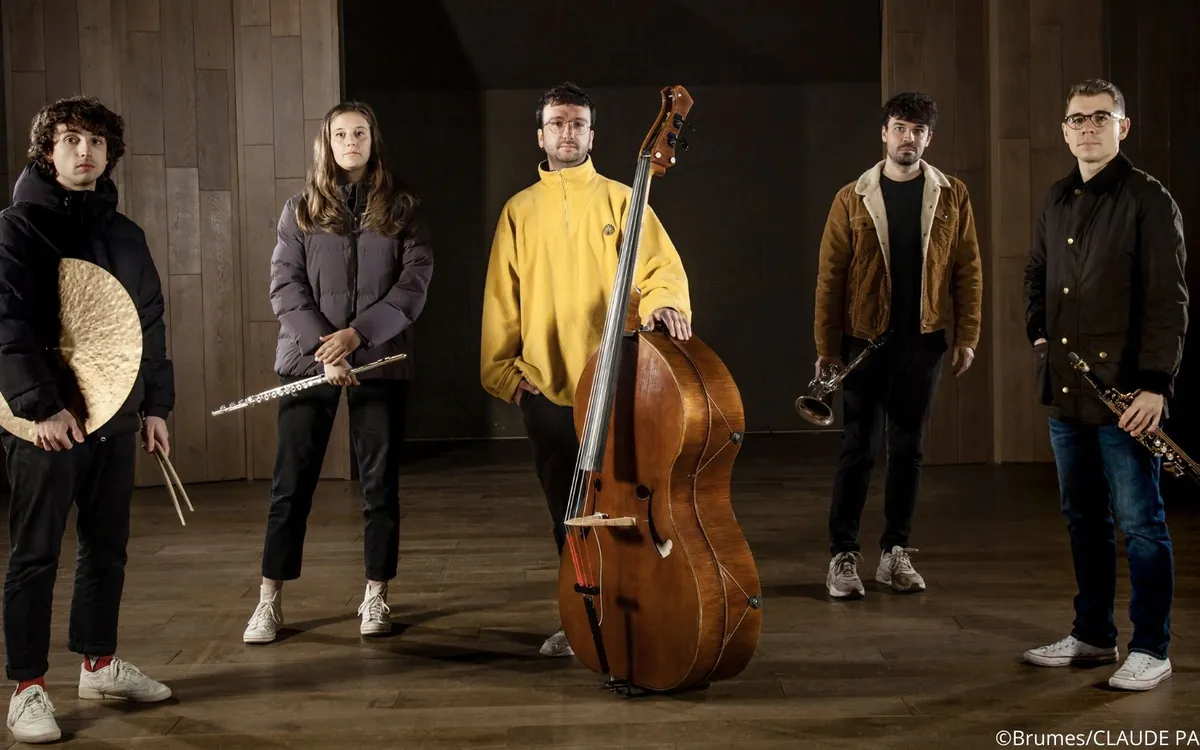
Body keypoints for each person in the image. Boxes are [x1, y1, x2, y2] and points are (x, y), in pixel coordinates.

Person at [480, 82, 693, 657]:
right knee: (569, 515)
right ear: (542, 135)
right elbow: (502, 299)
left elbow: (658, 266)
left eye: (577, 124)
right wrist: (507, 376)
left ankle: (641, 608)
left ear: (591, 134)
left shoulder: (624, 197)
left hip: (617, 385)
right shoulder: (518, 210)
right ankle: (585, 614)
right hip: (548, 389)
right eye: (557, 123)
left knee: (624, 509)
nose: (567, 133)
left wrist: (664, 301)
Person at [0, 96, 175, 744]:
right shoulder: (17, 227)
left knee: (107, 548)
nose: (84, 151)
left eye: (96, 142)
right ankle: (27, 689)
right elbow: (6, 323)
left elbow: (147, 326)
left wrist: (155, 405)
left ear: (109, 155)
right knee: (35, 555)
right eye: (71, 139)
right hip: (43, 419)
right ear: (47, 150)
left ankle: (98, 664)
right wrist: (40, 406)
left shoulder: (125, 235)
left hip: (114, 416)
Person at [241, 101, 434, 645]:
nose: (351, 141)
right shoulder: (299, 209)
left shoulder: (404, 209)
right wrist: (326, 348)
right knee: (290, 485)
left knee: (380, 485)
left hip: (379, 359)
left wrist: (357, 337)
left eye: (360, 133)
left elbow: (413, 285)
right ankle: (268, 600)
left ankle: (376, 594)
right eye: (340, 134)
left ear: (374, 141)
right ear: (326, 143)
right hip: (309, 359)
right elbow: (285, 285)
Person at [1022, 79, 1187, 691]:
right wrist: (1039, 335)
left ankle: (1152, 646)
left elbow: (1169, 302)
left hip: (1127, 395)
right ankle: (1093, 635)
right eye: (1076, 119)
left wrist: (1154, 386)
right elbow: (1035, 274)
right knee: (1083, 516)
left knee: (1140, 521)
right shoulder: (1057, 198)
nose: (1087, 127)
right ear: (1065, 130)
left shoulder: (1149, 199)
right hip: (1067, 390)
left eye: (1100, 117)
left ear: (1124, 126)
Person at [813, 91, 983, 600]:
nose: (908, 138)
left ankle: (895, 554)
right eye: (900, 128)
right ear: (884, 133)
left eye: (918, 131)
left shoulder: (953, 194)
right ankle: (843, 555)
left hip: (925, 342)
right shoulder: (852, 196)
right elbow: (830, 277)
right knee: (859, 449)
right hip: (863, 342)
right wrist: (826, 346)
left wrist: (967, 336)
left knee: (908, 451)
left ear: (929, 138)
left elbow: (967, 271)